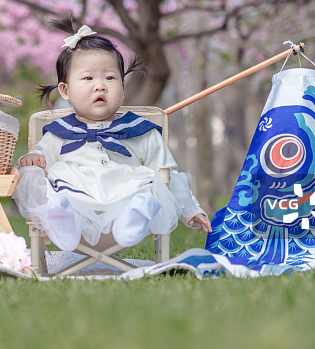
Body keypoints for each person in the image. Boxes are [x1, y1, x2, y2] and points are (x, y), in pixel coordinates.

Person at [13, 21, 210, 252]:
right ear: (65, 91)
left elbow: (168, 172)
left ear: (123, 87)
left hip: (125, 199)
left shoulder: (140, 130)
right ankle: (62, 224)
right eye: (88, 79)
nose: (100, 86)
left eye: (110, 78)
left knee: (152, 183)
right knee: (39, 179)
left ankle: (131, 222)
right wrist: (34, 158)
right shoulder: (59, 132)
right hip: (76, 200)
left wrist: (190, 209)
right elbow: (40, 156)